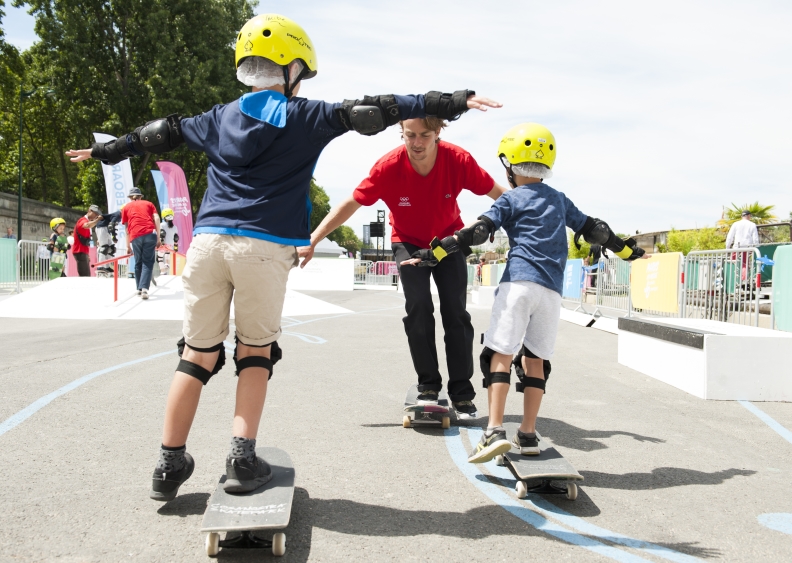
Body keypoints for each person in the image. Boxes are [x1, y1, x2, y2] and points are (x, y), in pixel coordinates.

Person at [66, 12, 499, 502]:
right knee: (255, 352)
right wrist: (452, 101)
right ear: (291, 69)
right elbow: (381, 108)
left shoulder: (216, 118)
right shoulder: (305, 116)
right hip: (262, 248)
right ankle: (241, 459)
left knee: (196, 353)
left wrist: (106, 152)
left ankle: (168, 463)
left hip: (206, 246)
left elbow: (157, 134)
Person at [401, 123, 647, 462]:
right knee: (536, 362)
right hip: (551, 293)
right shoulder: (560, 200)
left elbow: (474, 232)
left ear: (510, 165)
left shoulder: (511, 199)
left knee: (499, 356)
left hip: (518, 284)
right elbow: (597, 230)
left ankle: (494, 431)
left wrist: (435, 254)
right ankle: (528, 434)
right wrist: (628, 252)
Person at [304, 116, 507, 418]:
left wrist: (528, 223)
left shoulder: (458, 160)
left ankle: (462, 391)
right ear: (401, 133)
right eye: (409, 135)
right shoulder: (388, 166)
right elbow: (350, 204)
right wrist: (314, 239)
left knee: (455, 311)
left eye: (424, 135)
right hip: (408, 243)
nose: (416, 143)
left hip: (448, 240)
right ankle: (428, 383)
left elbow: (501, 196)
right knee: (419, 306)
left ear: (438, 132)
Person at [120, 188, 161, 298]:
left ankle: (139, 288)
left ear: (130, 197)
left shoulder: (126, 208)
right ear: (140, 196)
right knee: (147, 262)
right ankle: (144, 290)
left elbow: (126, 228)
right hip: (149, 234)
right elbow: (156, 218)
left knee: (138, 262)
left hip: (135, 236)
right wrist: (158, 237)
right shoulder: (149, 204)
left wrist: (127, 245)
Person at [72, 205, 103, 276]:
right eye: (95, 213)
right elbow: (87, 225)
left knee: (86, 275)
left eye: (97, 214)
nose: (96, 215)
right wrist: (97, 220)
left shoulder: (87, 221)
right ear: (89, 211)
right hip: (80, 251)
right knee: (85, 276)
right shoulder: (83, 220)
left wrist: (87, 254)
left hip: (83, 251)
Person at [95, 209, 122, 276]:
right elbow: (111, 225)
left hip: (106, 229)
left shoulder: (120, 216)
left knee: (111, 249)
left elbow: (112, 226)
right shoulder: (118, 214)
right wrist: (114, 236)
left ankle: (106, 267)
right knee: (104, 248)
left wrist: (114, 237)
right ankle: (100, 266)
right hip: (101, 227)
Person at [158, 208, 179, 274]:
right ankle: (167, 265)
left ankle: (162, 271)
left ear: (164, 217)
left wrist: (161, 243)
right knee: (167, 253)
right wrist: (176, 248)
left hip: (163, 245)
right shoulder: (175, 227)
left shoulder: (162, 225)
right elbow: (176, 238)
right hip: (171, 246)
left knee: (159, 258)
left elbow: (162, 234)